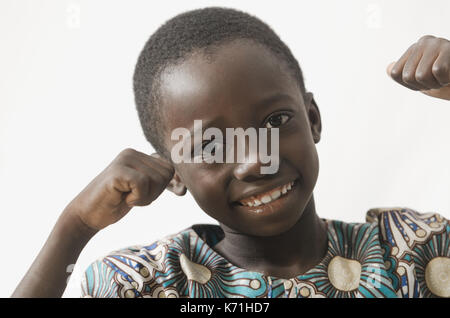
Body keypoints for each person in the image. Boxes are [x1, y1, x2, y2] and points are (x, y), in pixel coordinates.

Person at [12, 7, 450, 298]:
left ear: (312, 118)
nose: (256, 160)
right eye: (210, 145)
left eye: (275, 122)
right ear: (175, 173)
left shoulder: (411, 250)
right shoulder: (144, 282)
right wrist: (75, 226)